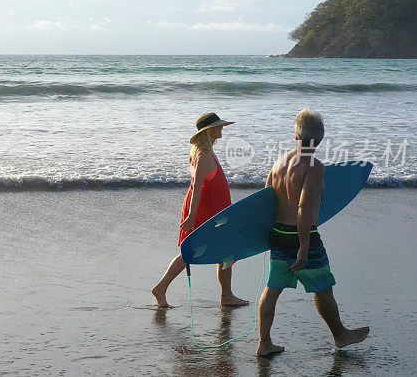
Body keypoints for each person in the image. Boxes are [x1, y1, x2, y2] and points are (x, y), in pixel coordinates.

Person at [256, 109, 369, 357]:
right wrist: (304, 246)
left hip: (278, 233)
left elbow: (265, 200)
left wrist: (266, 236)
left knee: (272, 288)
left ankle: (264, 343)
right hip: (301, 235)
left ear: (296, 135)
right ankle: (339, 334)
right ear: (319, 139)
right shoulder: (314, 166)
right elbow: (305, 208)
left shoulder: (279, 162)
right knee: (322, 286)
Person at [152, 113, 249, 308]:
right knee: (205, 251)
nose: (222, 128)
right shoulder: (204, 154)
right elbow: (196, 187)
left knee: (217, 252)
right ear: (209, 130)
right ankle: (225, 296)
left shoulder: (205, 151)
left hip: (212, 210)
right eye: (218, 126)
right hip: (205, 211)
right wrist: (191, 216)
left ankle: (225, 295)